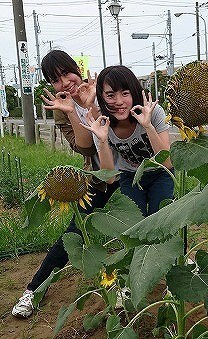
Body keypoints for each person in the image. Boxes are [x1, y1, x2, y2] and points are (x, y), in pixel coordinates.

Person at [12, 50, 119, 318]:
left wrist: (94, 102)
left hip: (131, 172)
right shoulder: (62, 110)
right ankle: (33, 291)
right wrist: (74, 111)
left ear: (77, 68)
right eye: (56, 79)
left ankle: (178, 263)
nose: (65, 82)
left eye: (66, 73)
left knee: (154, 217)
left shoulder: (106, 87)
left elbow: (121, 127)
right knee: (74, 233)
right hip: (99, 177)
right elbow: (84, 148)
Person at [82, 65, 174, 217]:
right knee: (134, 220)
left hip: (160, 173)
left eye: (125, 93)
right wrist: (103, 141)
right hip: (130, 176)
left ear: (134, 92)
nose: (119, 101)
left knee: (160, 219)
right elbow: (110, 178)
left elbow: (167, 163)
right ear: (102, 97)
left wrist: (148, 126)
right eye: (110, 95)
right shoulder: (101, 126)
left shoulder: (154, 112)